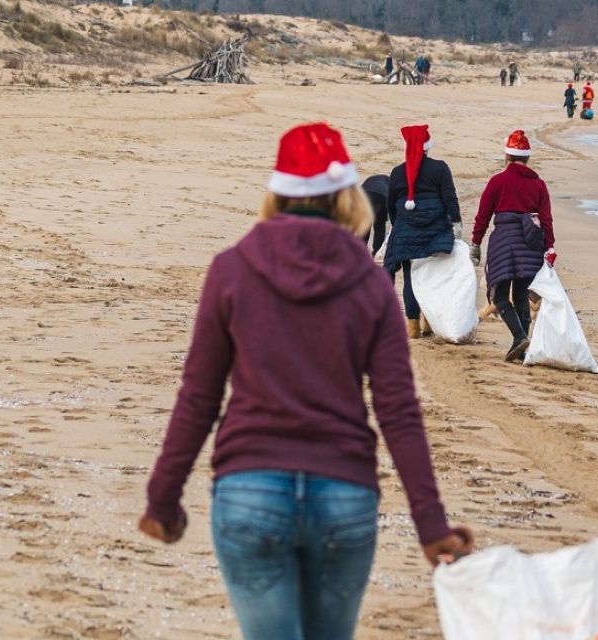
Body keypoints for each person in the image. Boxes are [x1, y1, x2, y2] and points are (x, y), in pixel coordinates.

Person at [139, 123, 473, 640]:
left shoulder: (232, 270)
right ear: (347, 197)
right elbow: (398, 411)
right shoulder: (369, 284)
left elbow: (199, 397)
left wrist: (164, 498)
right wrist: (431, 525)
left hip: (250, 491)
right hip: (343, 497)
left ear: (277, 193)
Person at [470, 130, 556, 362]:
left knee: (499, 296)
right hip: (530, 243)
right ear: (527, 159)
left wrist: (476, 243)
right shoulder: (538, 185)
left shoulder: (497, 181)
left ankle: (519, 337)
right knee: (520, 294)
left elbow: (483, 216)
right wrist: (550, 247)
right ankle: (523, 348)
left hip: (504, 243)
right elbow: (546, 219)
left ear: (507, 157)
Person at [385, 125, 462, 338]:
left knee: (410, 277)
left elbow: (391, 205)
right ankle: (430, 322)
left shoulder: (397, 172)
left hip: (406, 230)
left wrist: (400, 225)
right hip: (435, 229)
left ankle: (413, 327)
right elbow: (449, 198)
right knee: (434, 277)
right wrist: (456, 224)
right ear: (428, 148)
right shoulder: (440, 168)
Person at [362, 173, 390, 256]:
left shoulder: (370, 179)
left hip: (365, 194)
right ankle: (376, 251)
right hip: (382, 197)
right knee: (379, 226)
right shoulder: (390, 182)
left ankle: (361, 250)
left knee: (365, 224)